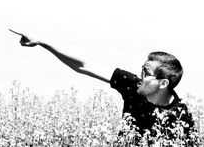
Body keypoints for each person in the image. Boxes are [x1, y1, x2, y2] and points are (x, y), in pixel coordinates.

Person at [11, 29, 194, 138]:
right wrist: (43, 42)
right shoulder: (132, 85)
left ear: (162, 83)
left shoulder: (181, 117)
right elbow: (83, 65)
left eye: (146, 72)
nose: (140, 75)